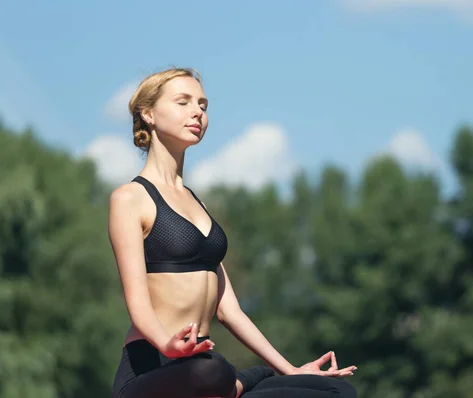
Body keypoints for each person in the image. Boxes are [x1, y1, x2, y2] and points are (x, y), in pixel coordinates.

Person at [109, 67, 358, 398]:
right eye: (183, 102)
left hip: (206, 365)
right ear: (148, 113)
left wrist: (292, 369)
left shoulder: (196, 204)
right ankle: (241, 382)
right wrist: (169, 346)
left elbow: (230, 311)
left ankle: (245, 381)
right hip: (155, 367)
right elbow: (138, 306)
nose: (197, 111)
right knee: (211, 369)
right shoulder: (130, 198)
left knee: (331, 391)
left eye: (203, 104)